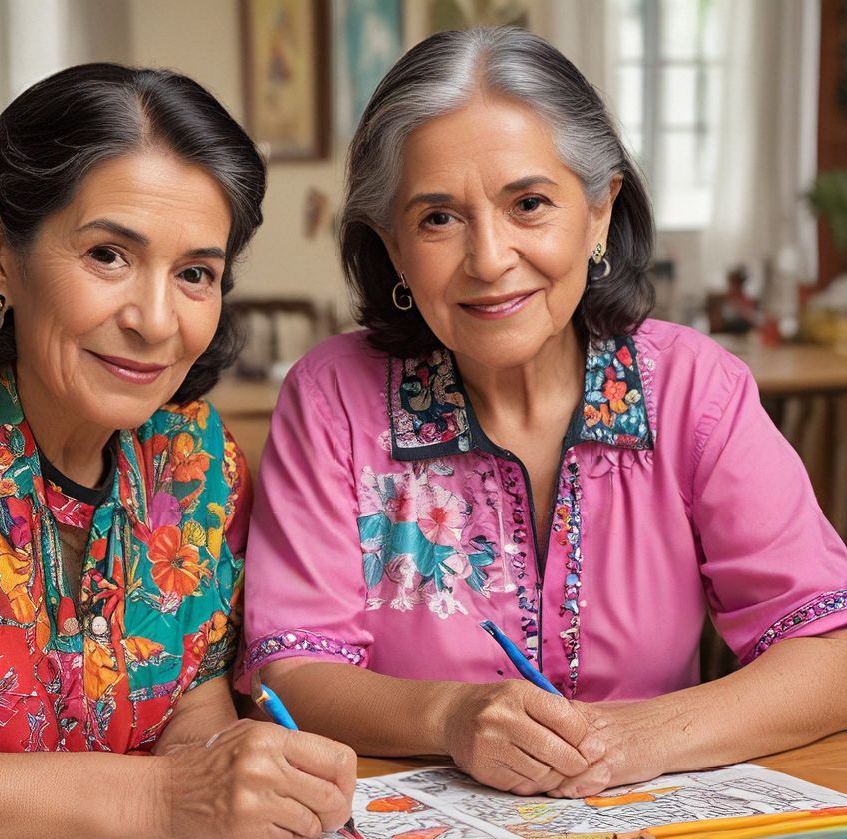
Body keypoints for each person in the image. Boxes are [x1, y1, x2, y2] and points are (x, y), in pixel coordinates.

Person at [243, 27, 847, 799]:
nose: (490, 259)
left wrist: (642, 736)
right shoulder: (332, 400)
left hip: (655, 830)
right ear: (392, 247)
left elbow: (830, 649)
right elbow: (291, 672)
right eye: (438, 219)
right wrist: (448, 717)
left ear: (599, 212)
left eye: (528, 204)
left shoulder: (693, 389)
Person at [0, 64, 354, 839]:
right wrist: (158, 799)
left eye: (195, 274)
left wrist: (234, 777)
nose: (155, 321)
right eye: (108, 255)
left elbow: (191, 705)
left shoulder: (194, 457)